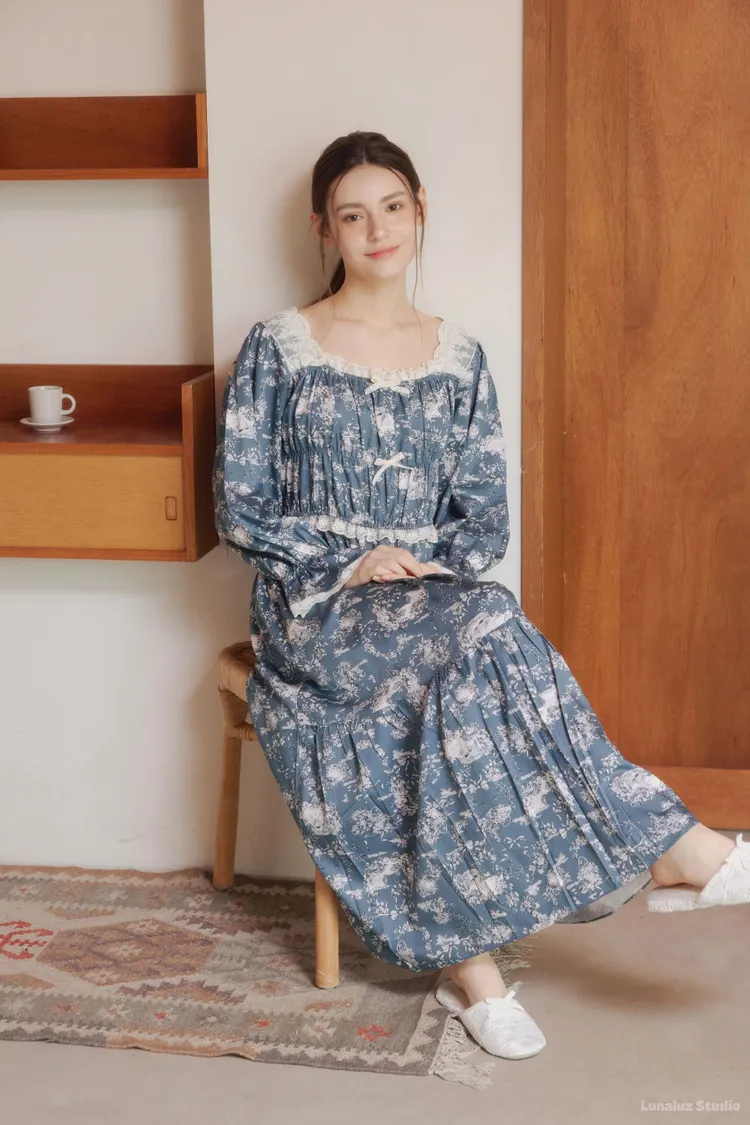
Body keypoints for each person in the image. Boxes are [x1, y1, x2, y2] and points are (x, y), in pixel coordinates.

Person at [212, 130, 749, 1061]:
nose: (377, 229)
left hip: (430, 603)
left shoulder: (458, 357)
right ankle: (674, 847)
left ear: (420, 211)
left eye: (392, 207)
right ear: (324, 229)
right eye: (352, 214)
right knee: (486, 625)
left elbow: (482, 519)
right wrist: (353, 562)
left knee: (475, 628)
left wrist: (424, 565)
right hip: (315, 609)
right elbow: (240, 505)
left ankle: (477, 974)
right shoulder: (279, 347)